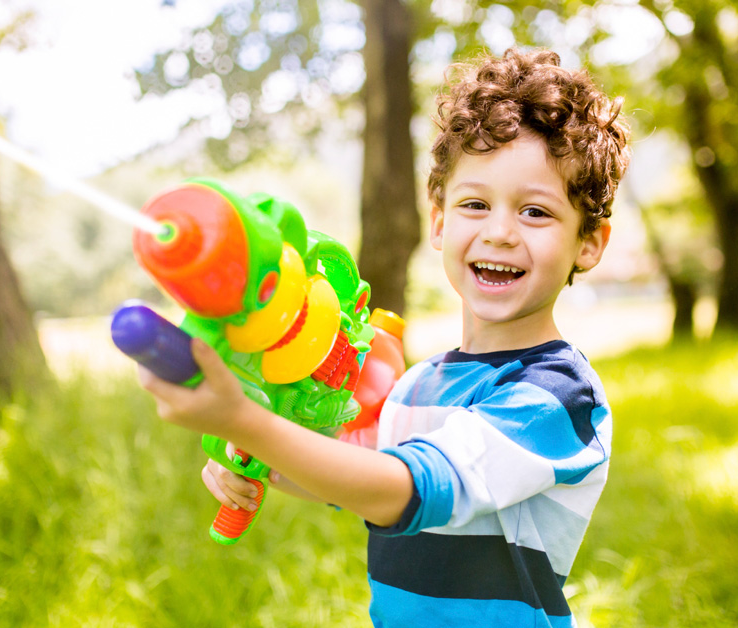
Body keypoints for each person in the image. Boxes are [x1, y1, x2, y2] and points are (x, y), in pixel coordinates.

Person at [138, 47, 631, 628]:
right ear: (440, 221)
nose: (498, 232)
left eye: (535, 213)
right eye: (475, 204)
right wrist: (260, 460)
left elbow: (404, 491)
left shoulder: (558, 395)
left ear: (590, 242)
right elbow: (357, 477)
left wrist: (245, 424)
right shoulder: (421, 382)